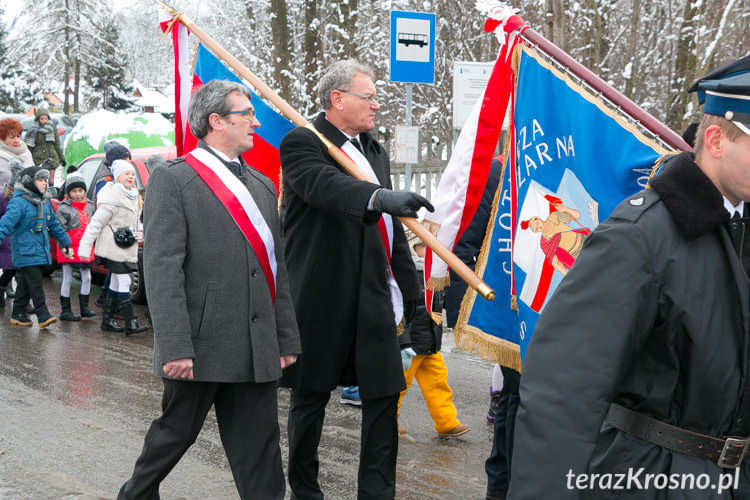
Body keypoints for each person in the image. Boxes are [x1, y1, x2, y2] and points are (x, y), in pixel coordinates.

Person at [509, 57, 750, 498]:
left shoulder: (741, 226)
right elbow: (564, 391)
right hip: (649, 480)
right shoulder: (642, 237)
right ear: (715, 140)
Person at [118, 80, 300, 499]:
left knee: (261, 451)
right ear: (216, 121)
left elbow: (278, 270)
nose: (255, 122)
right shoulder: (174, 180)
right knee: (173, 436)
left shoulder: (262, 184)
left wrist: (284, 336)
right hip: (200, 345)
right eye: (246, 115)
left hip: (256, 344)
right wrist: (175, 345)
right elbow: (163, 269)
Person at [280, 59, 433, 499]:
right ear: (337, 99)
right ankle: (305, 490)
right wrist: (379, 196)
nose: (376, 105)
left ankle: (376, 492)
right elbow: (324, 187)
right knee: (311, 400)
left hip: (372, 295)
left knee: (385, 397)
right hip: (321, 296)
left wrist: (416, 301)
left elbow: (394, 238)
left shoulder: (374, 150)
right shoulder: (303, 143)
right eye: (369, 97)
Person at [397, 238, 470, 438]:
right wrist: (403, 340)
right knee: (399, 384)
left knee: (438, 382)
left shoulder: (435, 273)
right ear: (417, 249)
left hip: (430, 343)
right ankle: (387, 420)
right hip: (411, 344)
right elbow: (401, 310)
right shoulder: (408, 273)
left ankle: (446, 422)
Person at [77, 160, 149, 335]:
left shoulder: (134, 197)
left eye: (132, 174)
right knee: (125, 281)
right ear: (118, 177)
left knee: (117, 283)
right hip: (111, 248)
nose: (131, 176)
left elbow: (138, 221)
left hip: (126, 246)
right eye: (127, 173)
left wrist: (142, 233)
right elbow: (95, 224)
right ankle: (130, 322)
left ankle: (107, 321)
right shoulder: (111, 198)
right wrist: (85, 249)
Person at [0, 162, 71, 327]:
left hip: (40, 249)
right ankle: (42, 314)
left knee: (25, 282)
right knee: (36, 283)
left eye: (45, 180)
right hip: (24, 250)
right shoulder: (18, 203)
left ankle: (18, 313)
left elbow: (53, 224)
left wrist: (65, 241)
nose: (44, 183)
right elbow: (4, 224)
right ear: (29, 182)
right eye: (40, 180)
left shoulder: (44, 202)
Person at [55, 172, 96, 321]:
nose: (78, 194)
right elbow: (60, 229)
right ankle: (65, 311)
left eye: (80, 190)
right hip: (69, 247)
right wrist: (64, 247)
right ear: (69, 193)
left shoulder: (90, 206)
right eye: (74, 191)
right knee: (67, 278)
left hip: (85, 247)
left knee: (87, 277)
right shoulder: (63, 208)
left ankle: (84, 308)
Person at [23, 109, 64, 180]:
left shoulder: (52, 127)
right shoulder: (33, 129)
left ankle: (51, 190)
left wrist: (62, 158)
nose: (44, 120)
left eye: (45, 118)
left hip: (51, 156)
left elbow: (57, 143)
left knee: (51, 181)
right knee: (42, 179)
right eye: (42, 118)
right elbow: (30, 145)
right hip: (38, 158)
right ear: (38, 119)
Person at [0, 118, 34, 186]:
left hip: (27, 195)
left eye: (18, 136)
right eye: (12, 137)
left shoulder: (26, 153)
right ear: (2, 138)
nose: (16, 140)